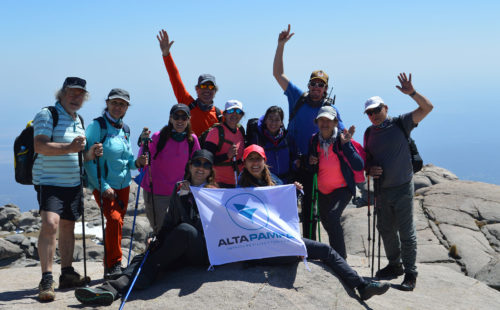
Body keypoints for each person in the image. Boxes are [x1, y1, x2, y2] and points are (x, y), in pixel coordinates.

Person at [238, 144, 390, 301]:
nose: (255, 163)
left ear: (264, 160)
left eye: (258, 159)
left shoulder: (274, 180)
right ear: (244, 162)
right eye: (251, 160)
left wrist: (293, 192)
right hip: (262, 246)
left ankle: (362, 286)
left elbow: (283, 209)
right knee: (316, 252)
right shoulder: (240, 186)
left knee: (326, 251)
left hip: (283, 240)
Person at [74, 150, 216, 306]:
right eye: (197, 163)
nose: (200, 168)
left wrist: (190, 197)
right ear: (190, 166)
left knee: (185, 231)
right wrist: (156, 237)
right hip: (181, 247)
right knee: (145, 254)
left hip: (201, 250)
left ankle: (143, 274)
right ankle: (110, 289)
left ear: (211, 171)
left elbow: (205, 228)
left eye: (206, 164)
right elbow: (169, 222)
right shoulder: (180, 188)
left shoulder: (213, 192)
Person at [273, 24, 345, 240]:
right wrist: (280, 46)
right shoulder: (297, 97)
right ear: (309, 85)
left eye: (320, 85)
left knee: (311, 208)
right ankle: (287, 241)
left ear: (326, 88)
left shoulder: (331, 110)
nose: (316, 88)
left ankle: (310, 245)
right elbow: (278, 74)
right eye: (313, 83)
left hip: (317, 163)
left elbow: (340, 136)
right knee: (287, 204)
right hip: (293, 159)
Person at [364, 73, 433, 291]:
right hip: (382, 189)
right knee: (385, 228)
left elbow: (427, 108)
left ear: (385, 107)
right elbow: (366, 159)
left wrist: (412, 92)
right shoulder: (368, 133)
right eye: (370, 112)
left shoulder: (401, 123)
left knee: (406, 231)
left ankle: (411, 273)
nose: (374, 115)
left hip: (403, 187)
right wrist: (369, 169)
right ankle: (395, 266)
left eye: (376, 110)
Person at [33, 77, 98, 301]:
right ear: (62, 94)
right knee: (50, 224)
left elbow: (79, 153)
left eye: (80, 94)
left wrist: (90, 154)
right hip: (49, 181)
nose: (76, 97)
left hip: (72, 182)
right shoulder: (47, 114)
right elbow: (39, 145)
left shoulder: (78, 119)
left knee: (68, 226)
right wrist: (70, 147)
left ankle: (67, 273)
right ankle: (46, 279)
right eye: (71, 93)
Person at [84, 88, 148, 279]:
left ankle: (111, 265)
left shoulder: (125, 129)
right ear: (107, 103)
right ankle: (114, 264)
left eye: (122, 104)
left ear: (127, 107)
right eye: (115, 103)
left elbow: (127, 159)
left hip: (124, 185)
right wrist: (103, 186)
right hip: (104, 185)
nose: (118, 107)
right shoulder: (98, 126)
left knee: (116, 224)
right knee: (114, 220)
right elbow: (89, 161)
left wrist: (137, 163)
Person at [308, 106, 363, 259]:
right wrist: (310, 161)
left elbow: (359, 165)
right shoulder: (314, 140)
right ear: (317, 122)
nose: (324, 123)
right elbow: (310, 165)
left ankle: (340, 259)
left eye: (328, 120)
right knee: (327, 222)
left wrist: (347, 146)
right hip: (322, 190)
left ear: (335, 122)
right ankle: (335, 257)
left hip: (342, 189)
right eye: (321, 120)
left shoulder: (342, 139)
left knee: (332, 217)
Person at [140, 104, 200, 234]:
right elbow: (143, 161)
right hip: (157, 193)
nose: (180, 120)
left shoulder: (192, 140)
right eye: (176, 117)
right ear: (170, 119)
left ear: (189, 119)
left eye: (184, 117)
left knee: (179, 230)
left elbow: (197, 165)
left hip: (181, 194)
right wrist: (143, 144)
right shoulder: (158, 137)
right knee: (160, 231)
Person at [157, 29, 222, 137]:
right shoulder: (187, 104)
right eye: (203, 86)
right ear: (197, 89)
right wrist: (166, 55)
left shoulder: (220, 115)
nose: (207, 89)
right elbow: (175, 78)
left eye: (210, 87)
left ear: (215, 91)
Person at [247, 106, 297, 184]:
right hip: (265, 184)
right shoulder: (257, 139)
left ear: (281, 123)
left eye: (277, 120)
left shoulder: (287, 138)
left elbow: (294, 158)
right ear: (265, 121)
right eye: (270, 119)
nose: (273, 123)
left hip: (286, 183)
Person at [204, 100, 246, 188]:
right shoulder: (215, 132)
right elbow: (206, 161)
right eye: (231, 111)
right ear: (225, 114)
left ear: (242, 115)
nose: (234, 114)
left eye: (238, 112)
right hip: (217, 184)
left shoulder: (241, 131)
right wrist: (227, 156)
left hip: (238, 183)